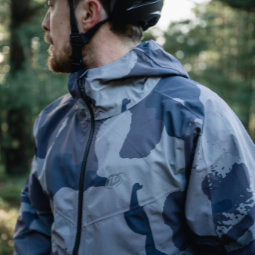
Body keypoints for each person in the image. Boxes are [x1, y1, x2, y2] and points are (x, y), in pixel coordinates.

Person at [13, 0, 255, 254]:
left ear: (88, 13)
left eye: (52, 6)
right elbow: (33, 236)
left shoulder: (194, 113)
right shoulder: (53, 120)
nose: (45, 23)